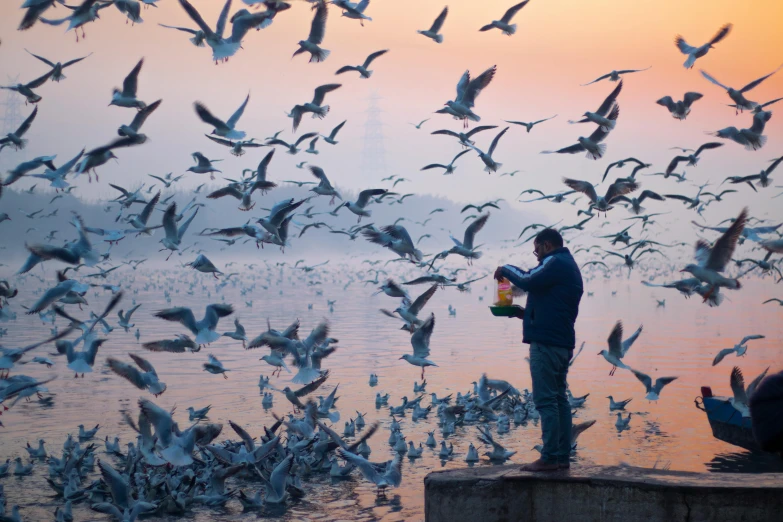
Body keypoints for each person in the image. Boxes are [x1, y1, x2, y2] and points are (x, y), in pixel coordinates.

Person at [494, 228, 583, 471]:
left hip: (547, 344)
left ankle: (550, 457)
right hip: (561, 341)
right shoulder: (569, 266)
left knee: (545, 400)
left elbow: (528, 279)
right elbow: (554, 306)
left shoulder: (555, 261)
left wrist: (504, 269)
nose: (536, 256)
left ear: (546, 245)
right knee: (559, 399)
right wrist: (523, 314)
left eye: (536, 249)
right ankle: (561, 457)